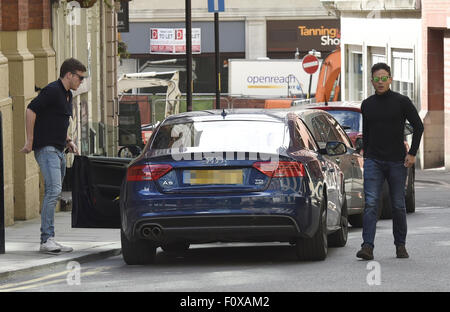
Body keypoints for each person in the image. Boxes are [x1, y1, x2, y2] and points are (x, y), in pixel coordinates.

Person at [356, 63, 424, 260]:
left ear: (390, 80)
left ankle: (400, 246)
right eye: (376, 79)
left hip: (396, 161)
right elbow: (367, 132)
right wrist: (366, 155)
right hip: (373, 161)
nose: (380, 82)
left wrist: (412, 153)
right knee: (370, 204)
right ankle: (367, 247)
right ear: (371, 82)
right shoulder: (367, 104)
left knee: (398, 205)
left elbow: (418, 127)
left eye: (384, 78)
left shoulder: (402, 102)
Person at [21, 58, 86, 254]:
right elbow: (31, 110)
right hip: (46, 148)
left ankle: (50, 238)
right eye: (80, 77)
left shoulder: (67, 95)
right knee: (53, 191)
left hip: (59, 149)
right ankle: (46, 239)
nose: (81, 81)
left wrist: (68, 140)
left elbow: (55, 120)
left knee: (55, 193)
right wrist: (30, 140)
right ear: (69, 75)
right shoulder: (52, 90)